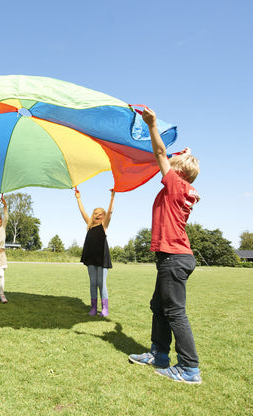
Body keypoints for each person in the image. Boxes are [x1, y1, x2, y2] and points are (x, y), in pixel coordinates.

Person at [128, 107, 202, 384]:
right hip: (174, 256)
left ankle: (189, 368)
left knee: (174, 312)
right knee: (158, 306)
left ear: (179, 170)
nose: (172, 161)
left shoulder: (174, 184)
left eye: (177, 161)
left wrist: (152, 125)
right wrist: (186, 154)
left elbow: (160, 154)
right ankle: (159, 354)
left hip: (173, 257)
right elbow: (169, 158)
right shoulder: (184, 188)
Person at [75, 188, 115, 317]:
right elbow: (82, 211)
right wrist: (78, 198)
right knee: (93, 283)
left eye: (100, 213)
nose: (98, 215)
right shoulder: (89, 224)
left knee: (101, 284)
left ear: (103, 216)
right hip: (90, 257)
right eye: (96, 213)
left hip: (102, 258)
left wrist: (113, 196)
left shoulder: (104, 225)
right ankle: (93, 308)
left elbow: (111, 212)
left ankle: (105, 309)